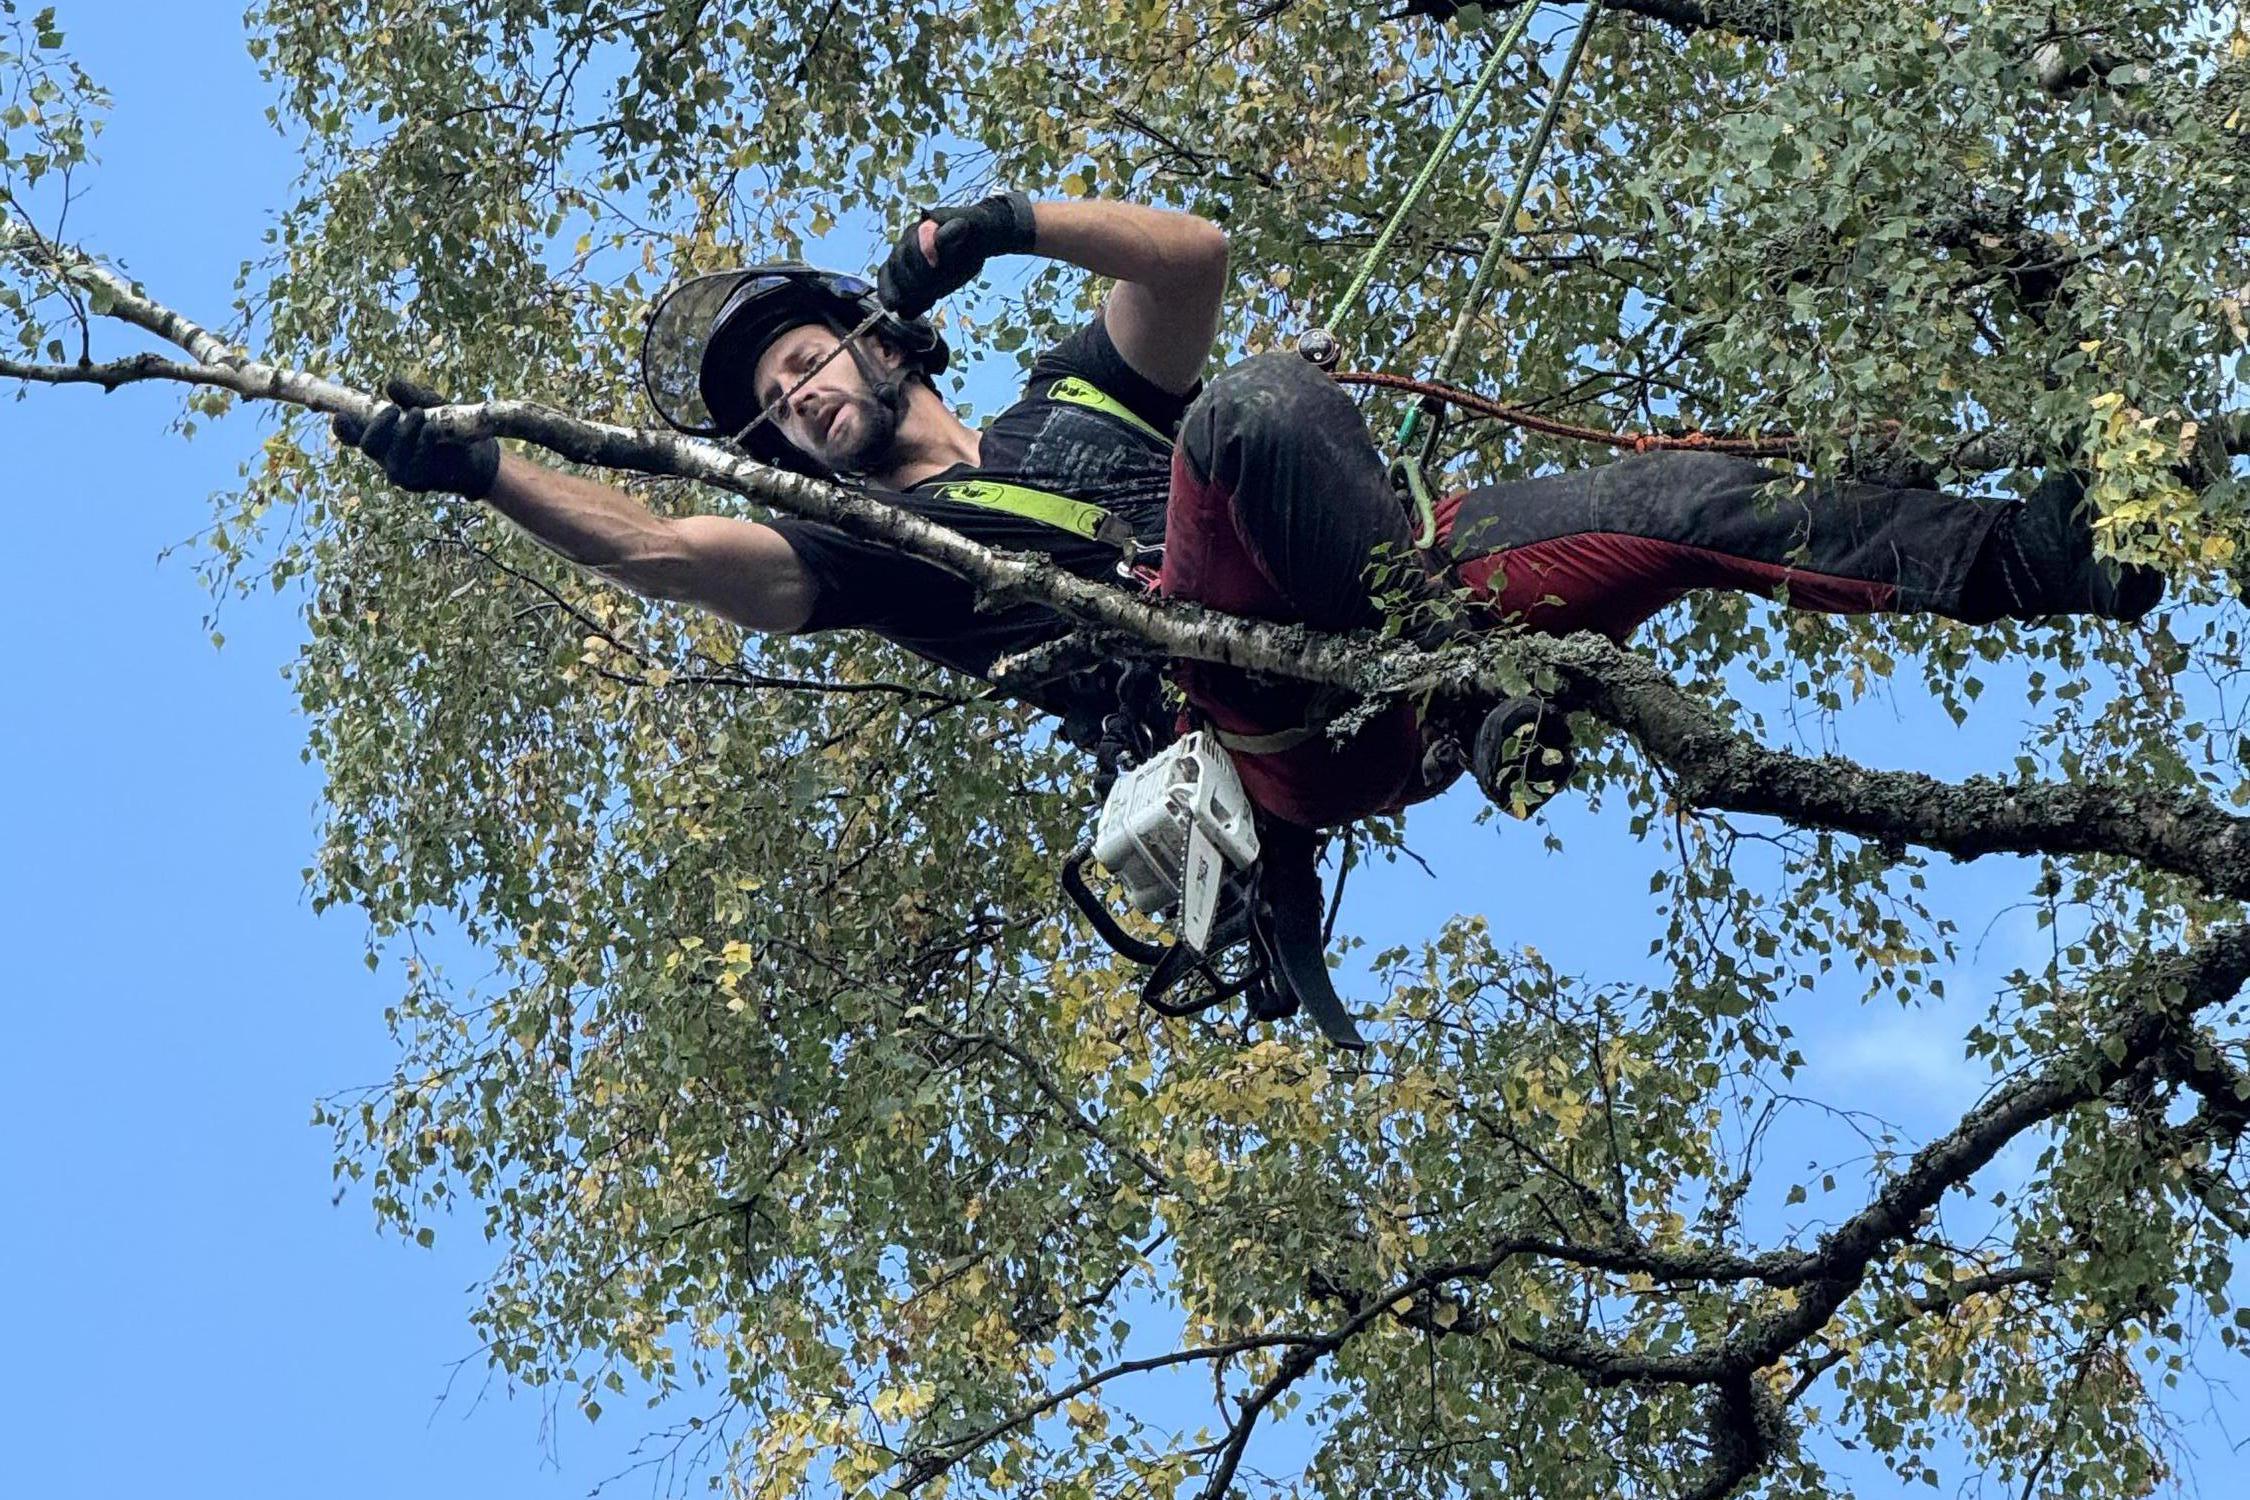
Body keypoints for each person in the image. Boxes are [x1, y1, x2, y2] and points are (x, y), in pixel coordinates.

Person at [334, 192, 2162, 836]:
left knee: (1688, 502)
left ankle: (2053, 560)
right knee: (1269, 402)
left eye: (805, 361)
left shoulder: (1065, 397)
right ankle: (1454, 654)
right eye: (771, 411)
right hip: (1269, 723)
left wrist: (999, 225)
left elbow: (1192, 263)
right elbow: (660, 549)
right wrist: (479, 465)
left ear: (872, 341)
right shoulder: (862, 553)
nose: (801, 402)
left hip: (1411, 615)